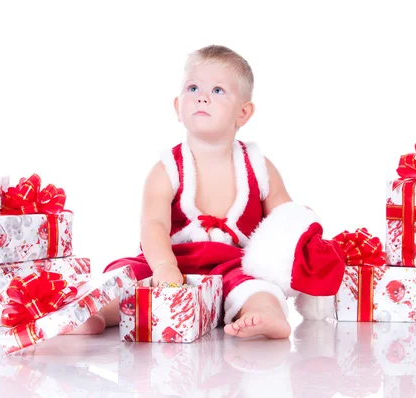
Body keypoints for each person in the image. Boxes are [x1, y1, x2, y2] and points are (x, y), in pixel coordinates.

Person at [71, 45, 345, 339]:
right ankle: (97, 314)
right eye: (193, 87)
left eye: (217, 90)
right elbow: (154, 224)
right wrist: (164, 266)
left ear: (243, 112)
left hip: (232, 263)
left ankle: (264, 315)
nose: (202, 96)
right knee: (126, 274)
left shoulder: (259, 167)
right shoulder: (167, 169)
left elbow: (285, 219)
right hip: (173, 259)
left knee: (256, 288)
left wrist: (305, 250)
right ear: (178, 107)